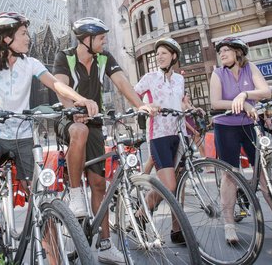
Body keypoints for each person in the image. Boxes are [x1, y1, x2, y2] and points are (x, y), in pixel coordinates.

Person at [0, 12, 98, 256]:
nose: (29, 38)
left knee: (42, 200)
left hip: (25, 136)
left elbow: (57, 85)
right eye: (24, 34)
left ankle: (55, 258)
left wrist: (80, 99)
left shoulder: (31, 63)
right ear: (7, 38)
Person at [53, 17, 153, 264]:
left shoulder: (104, 57)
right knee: (79, 130)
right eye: (100, 38)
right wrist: (73, 110)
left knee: (99, 185)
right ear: (85, 40)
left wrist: (141, 106)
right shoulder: (65, 57)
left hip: (95, 123)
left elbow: (121, 83)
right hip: (68, 119)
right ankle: (76, 194)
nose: (104, 41)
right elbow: (60, 89)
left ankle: (106, 245)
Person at [209, 37, 272, 244]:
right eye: (220, 52)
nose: (222, 54)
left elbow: (266, 91)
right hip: (225, 126)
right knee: (230, 175)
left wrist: (245, 94)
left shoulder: (250, 68)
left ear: (238, 52)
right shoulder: (218, 73)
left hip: (250, 124)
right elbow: (216, 102)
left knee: (263, 172)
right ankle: (228, 225)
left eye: (226, 50)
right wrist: (244, 105)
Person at [133, 37, 187, 244]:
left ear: (173, 56)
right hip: (159, 135)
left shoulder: (180, 79)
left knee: (178, 185)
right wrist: (145, 106)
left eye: (164, 53)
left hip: (179, 134)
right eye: (157, 54)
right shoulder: (149, 78)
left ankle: (177, 229)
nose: (159, 57)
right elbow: (133, 95)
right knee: (169, 185)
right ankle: (140, 214)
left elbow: (180, 104)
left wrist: (191, 109)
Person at [182, 91, 206, 157]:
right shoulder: (182, 105)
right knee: (184, 150)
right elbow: (183, 121)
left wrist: (200, 109)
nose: (189, 97)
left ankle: (207, 166)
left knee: (201, 147)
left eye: (189, 96)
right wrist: (193, 130)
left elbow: (193, 110)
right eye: (187, 96)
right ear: (183, 96)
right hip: (187, 129)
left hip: (193, 126)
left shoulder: (189, 103)